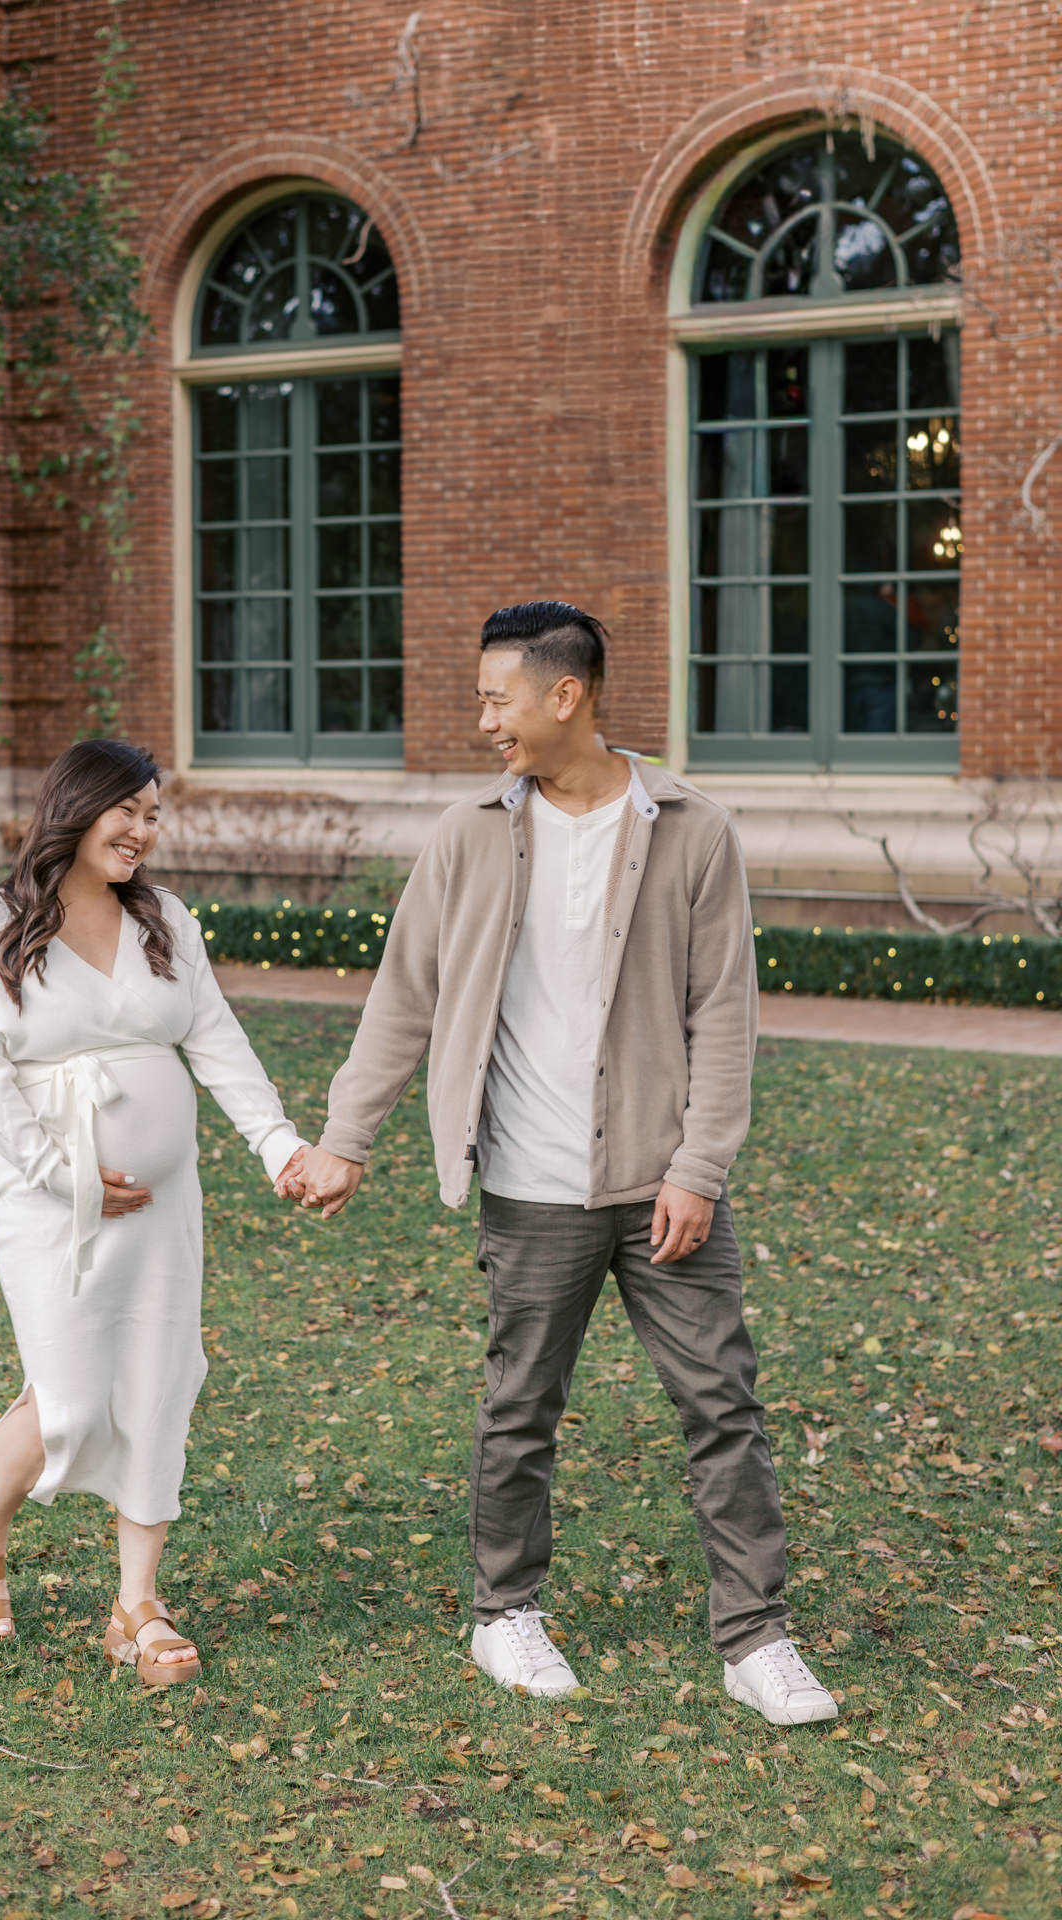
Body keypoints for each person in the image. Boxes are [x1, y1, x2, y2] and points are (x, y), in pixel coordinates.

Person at [294, 602, 837, 1727]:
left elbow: (723, 1014)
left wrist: (698, 1168)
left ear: (565, 695)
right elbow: (404, 996)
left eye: (497, 699)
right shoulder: (467, 836)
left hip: (661, 1183)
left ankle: (755, 1639)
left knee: (722, 1406)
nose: (484, 720)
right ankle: (504, 1614)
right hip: (528, 1186)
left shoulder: (689, 828)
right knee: (521, 1408)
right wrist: (347, 1137)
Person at [0, 739, 306, 1687]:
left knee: (157, 1380)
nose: (143, 830)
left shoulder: (164, 919)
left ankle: (137, 1601)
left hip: (163, 1203)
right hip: (46, 1199)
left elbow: (217, 1040)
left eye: (154, 815)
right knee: (66, 1392)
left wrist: (278, 1145)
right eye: (127, 811)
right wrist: (65, 1175)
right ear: (75, 808)